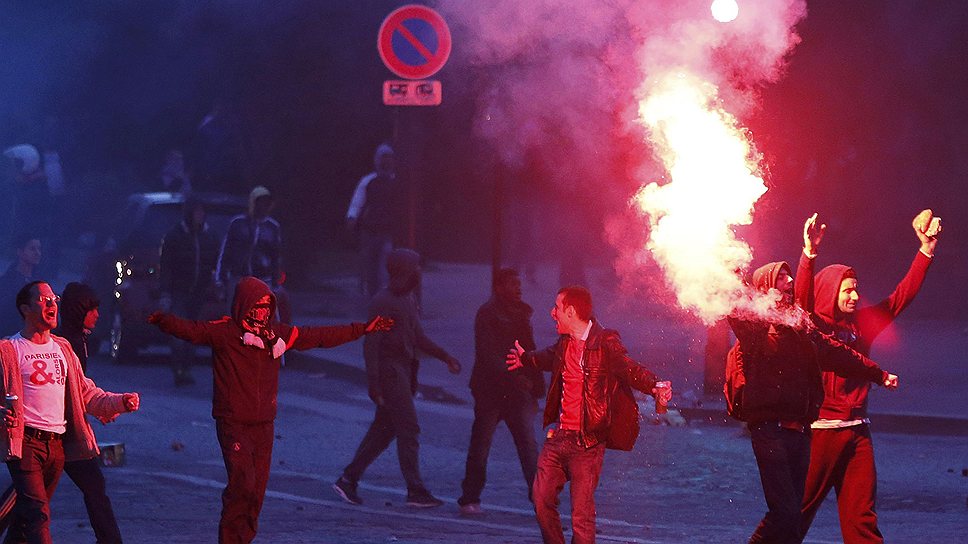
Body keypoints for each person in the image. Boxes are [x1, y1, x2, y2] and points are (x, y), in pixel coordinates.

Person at [147, 276, 391, 544]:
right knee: (242, 484)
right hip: (233, 422)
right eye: (257, 306)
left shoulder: (278, 335)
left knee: (257, 492)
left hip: (264, 424)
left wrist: (364, 328)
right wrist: (164, 321)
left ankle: (245, 538)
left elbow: (320, 336)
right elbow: (192, 330)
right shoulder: (225, 333)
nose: (262, 313)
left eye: (267, 306)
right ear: (243, 305)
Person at [727, 252, 897, 544]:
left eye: (790, 275)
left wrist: (877, 373)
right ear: (766, 285)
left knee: (792, 518)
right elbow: (735, 306)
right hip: (770, 432)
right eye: (782, 277)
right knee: (786, 513)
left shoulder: (800, 324)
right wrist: (729, 268)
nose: (789, 280)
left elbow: (835, 352)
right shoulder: (754, 327)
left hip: (800, 433)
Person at [797, 210, 940, 544]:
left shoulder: (862, 325)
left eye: (856, 289)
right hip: (820, 437)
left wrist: (926, 250)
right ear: (830, 292)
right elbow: (802, 304)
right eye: (846, 291)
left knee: (862, 521)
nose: (854, 296)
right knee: (794, 516)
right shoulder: (814, 327)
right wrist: (809, 254)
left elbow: (899, 298)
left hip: (858, 436)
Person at [506, 285, 672, 544]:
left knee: (581, 517)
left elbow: (628, 368)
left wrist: (654, 385)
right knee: (540, 500)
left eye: (557, 308)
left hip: (588, 442)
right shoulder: (564, 343)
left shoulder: (604, 342)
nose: (552, 313)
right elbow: (549, 357)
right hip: (559, 437)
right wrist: (526, 359)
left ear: (570, 311)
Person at [0, 280, 139, 544]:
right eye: (43, 300)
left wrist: (120, 402)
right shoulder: (9, 350)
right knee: (39, 515)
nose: (52, 303)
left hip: (57, 447)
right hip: (26, 444)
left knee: (25, 518)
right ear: (25, 309)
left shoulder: (63, 349)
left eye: (54, 298)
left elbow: (85, 392)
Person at [333, 249, 461, 508]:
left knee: (384, 430)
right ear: (404, 270)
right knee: (408, 428)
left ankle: (349, 478)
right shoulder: (384, 302)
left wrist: (444, 356)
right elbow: (372, 344)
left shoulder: (408, 299)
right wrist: (374, 382)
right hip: (390, 372)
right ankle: (415, 490)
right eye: (415, 267)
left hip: (405, 369)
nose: (419, 272)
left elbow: (418, 337)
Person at [457, 268, 544, 515]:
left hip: (515, 392)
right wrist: (516, 378)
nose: (518, 288)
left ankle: (540, 498)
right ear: (499, 288)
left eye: (519, 284)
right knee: (481, 444)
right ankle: (470, 497)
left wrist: (535, 385)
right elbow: (488, 354)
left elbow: (529, 349)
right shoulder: (487, 314)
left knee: (528, 445)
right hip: (490, 390)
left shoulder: (521, 313)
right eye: (512, 284)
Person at [52, 282, 123, 543]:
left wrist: (105, 407)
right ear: (78, 310)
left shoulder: (79, 339)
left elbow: (81, 387)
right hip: (60, 431)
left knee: (33, 496)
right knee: (31, 496)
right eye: (92, 309)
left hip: (68, 429)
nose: (98, 315)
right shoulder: (65, 343)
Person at [159, 199, 220, 386]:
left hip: (199, 291)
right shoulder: (175, 236)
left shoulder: (209, 237)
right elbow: (166, 266)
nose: (199, 217)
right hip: (179, 291)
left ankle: (186, 367)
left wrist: (214, 282)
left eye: (202, 213)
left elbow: (214, 261)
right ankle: (178, 367)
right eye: (196, 213)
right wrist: (165, 292)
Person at [215, 186, 289, 324]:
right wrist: (220, 278)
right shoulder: (237, 223)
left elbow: (276, 257)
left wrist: (276, 283)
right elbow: (225, 252)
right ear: (253, 202)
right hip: (239, 279)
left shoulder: (272, 227)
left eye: (267, 203)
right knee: (235, 317)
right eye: (260, 202)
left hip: (263, 279)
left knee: (268, 317)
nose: (263, 206)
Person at [346, 143, 401, 297]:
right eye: (384, 157)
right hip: (369, 230)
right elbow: (358, 201)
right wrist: (352, 216)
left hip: (389, 231)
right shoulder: (368, 181)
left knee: (385, 264)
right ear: (377, 160)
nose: (387, 161)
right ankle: (370, 295)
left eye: (389, 157)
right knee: (369, 264)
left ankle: (384, 295)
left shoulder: (397, 182)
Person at [0, 235, 43, 337]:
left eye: (39, 249)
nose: (37, 253)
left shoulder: (40, 281)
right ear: (20, 252)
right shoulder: (7, 281)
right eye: (32, 249)